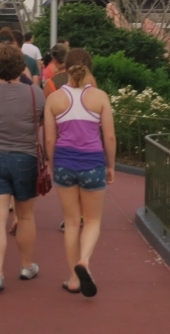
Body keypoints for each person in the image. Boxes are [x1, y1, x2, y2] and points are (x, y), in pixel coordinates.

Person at [0, 44, 45, 292]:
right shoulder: (36, 94)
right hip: (26, 157)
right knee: (25, 216)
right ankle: (26, 266)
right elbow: (40, 122)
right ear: (21, 66)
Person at [44, 49, 116, 297]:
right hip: (92, 163)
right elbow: (108, 135)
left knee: (72, 222)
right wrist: (111, 165)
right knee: (92, 221)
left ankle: (73, 279)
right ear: (89, 67)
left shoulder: (54, 99)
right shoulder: (100, 97)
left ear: (64, 67)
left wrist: (53, 166)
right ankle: (84, 260)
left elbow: (50, 140)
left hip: (64, 163)